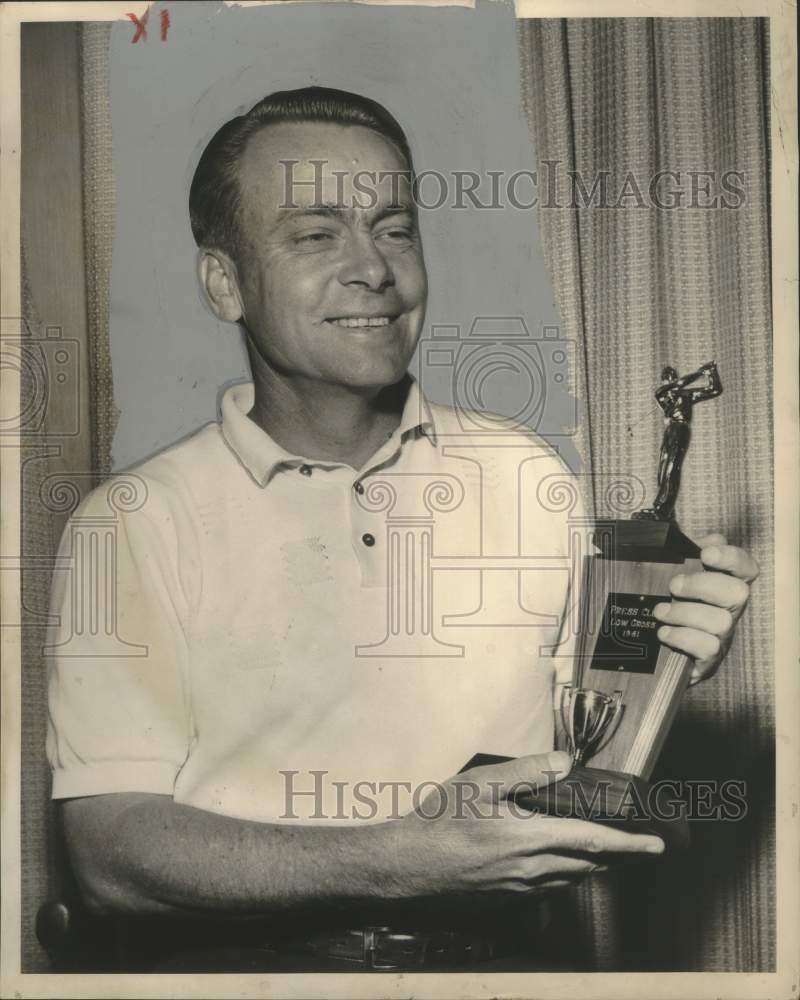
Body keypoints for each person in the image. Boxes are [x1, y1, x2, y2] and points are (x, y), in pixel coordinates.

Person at [46, 88, 759, 972]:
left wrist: (664, 653)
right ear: (224, 282)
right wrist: (395, 858)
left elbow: (584, 755)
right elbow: (108, 854)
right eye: (314, 235)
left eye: (394, 228)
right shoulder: (132, 524)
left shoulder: (526, 473)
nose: (373, 269)